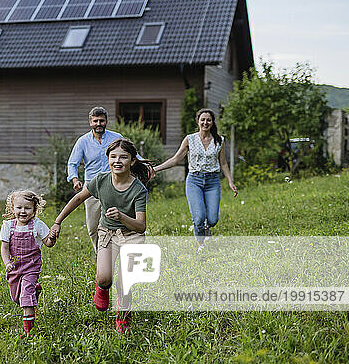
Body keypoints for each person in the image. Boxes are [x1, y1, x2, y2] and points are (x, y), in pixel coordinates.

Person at [52, 139, 152, 331]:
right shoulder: (100, 180)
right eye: (113, 157)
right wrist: (58, 221)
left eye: (123, 157)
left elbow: (141, 226)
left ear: (132, 161)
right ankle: (102, 287)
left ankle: (123, 317)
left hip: (132, 236)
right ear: (108, 159)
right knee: (104, 278)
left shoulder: (138, 189)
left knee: (124, 281)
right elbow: (78, 198)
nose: (117, 161)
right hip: (107, 233)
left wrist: (122, 216)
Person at [152, 108, 238, 251]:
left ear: (212, 122)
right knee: (198, 218)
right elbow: (176, 159)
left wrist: (230, 181)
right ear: (198, 121)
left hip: (212, 181)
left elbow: (223, 163)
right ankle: (201, 245)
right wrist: (155, 169)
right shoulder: (190, 139)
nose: (205, 122)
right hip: (194, 181)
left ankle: (206, 228)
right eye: (202, 119)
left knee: (212, 220)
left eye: (208, 120)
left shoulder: (219, 140)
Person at [66, 107, 128, 253]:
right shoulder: (82, 141)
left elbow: (132, 154)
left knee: (116, 223)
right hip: (91, 188)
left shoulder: (116, 137)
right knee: (93, 227)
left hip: (114, 184)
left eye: (101, 120)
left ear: (106, 121)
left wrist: (146, 167)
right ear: (90, 122)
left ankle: (117, 254)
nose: (98, 124)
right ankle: (100, 255)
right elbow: (72, 163)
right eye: (95, 121)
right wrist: (75, 180)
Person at [0, 190, 56, 337]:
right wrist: (7, 263)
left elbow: (48, 243)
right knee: (16, 298)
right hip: (14, 268)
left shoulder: (37, 225)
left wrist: (53, 238)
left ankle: (28, 332)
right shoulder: (7, 226)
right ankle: (34, 290)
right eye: (19, 208)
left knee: (25, 298)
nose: (23, 211)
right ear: (12, 208)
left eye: (27, 208)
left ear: (34, 210)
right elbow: (4, 248)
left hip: (31, 267)